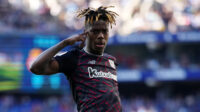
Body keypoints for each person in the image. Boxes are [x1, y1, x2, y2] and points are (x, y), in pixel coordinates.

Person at [30, 6, 122, 112]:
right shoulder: (75, 57)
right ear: (86, 33)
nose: (101, 36)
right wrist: (65, 43)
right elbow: (35, 67)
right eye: (96, 31)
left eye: (104, 31)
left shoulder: (111, 60)